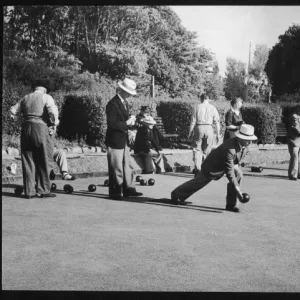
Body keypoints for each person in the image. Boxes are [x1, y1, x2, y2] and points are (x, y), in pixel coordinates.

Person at [171, 124, 257, 213]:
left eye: (251, 140)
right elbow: (229, 171)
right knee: (198, 183)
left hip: (224, 165)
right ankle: (176, 195)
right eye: (248, 140)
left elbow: (235, 161)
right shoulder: (229, 148)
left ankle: (231, 205)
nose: (250, 143)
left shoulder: (245, 147)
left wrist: (236, 168)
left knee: (238, 174)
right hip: (212, 167)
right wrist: (238, 189)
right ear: (241, 138)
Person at [10, 79, 59, 198]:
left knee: (28, 158)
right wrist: (54, 124)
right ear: (45, 89)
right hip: (40, 127)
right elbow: (53, 112)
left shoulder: (25, 98)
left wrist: (20, 122)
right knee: (43, 158)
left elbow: (12, 112)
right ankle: (43, 190)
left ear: (34, 88)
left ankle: (29, 191)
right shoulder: (46, 97)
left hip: (26, 128)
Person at [105, 78, 143, 200]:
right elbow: (112, 124)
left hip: (123, 139)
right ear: (121, 90)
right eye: (127, 92)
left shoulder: (123, 102)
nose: (129, 95)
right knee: (116, 167)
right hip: (115, 140)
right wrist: (127, 123)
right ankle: (115, 192)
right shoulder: (112, 104)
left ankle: (129, 189)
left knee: (127, 165)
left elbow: (123, 122)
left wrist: (134, 123)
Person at [188, 93, 221, 176]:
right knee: (207, 150)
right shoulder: (213, 108)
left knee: (197, 149)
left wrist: (190, 132)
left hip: (199, 127)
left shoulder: (197, 107)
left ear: (201, 99)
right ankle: (206, 169)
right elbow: (217, 122)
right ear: (208, 99)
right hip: (209, 128)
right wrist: (218, 134)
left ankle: (197, 169)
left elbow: (193, 121)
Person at [134, 109, 165, 174]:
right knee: (149, 154)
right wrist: (151, 149)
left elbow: (152, 140)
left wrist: (157, 148)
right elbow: (143, 143)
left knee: (158, 154)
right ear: (147, 124)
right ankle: (150, 170)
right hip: (141, 148)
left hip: (146, 147)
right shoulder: (144, 130)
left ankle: (160, 169)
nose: (153, 125)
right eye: (151, 124)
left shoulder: (149, 130)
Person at [287, 113, 300, 180]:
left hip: (297, 141)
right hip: (293, 142)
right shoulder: (293, 125)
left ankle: (297, 174)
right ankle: (293, 174)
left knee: (297, 158)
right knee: (295, 158)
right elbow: (298, 131)